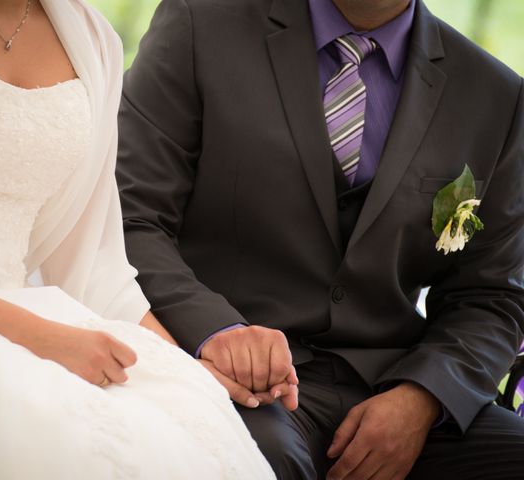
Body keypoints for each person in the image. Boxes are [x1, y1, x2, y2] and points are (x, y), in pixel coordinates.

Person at [116, 0, 524, 478]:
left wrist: (423, 397)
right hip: (232, 379)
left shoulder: (495, 95)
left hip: (393, 382)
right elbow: (131, 217)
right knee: (253, 461)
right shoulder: (198, 24)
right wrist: (217, 329)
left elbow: (491, 296)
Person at [0, 0, 276, 478]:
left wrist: (189, 365)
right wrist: (41, 338)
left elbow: (94, 264)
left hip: (45, 316)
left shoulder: (94, 41)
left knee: (186, 429)